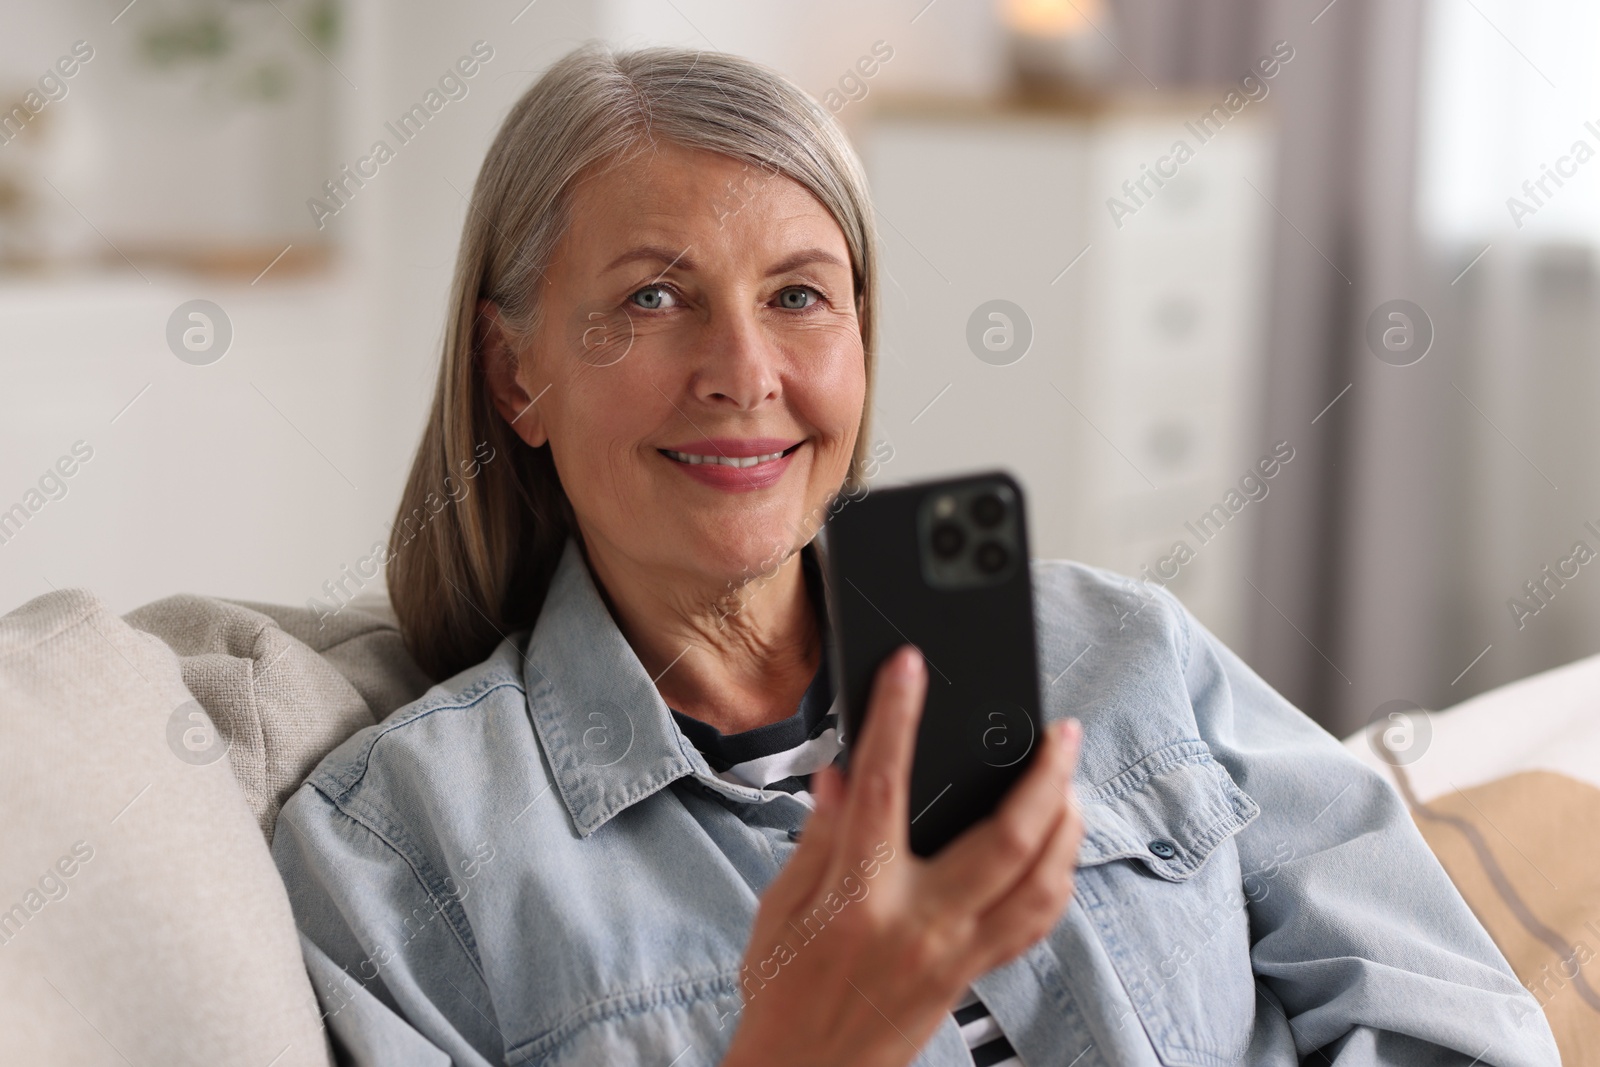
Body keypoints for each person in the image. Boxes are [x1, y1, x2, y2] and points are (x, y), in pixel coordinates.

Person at [270, 44, 1560, 1067]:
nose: (744, 374)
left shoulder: (1118, 653)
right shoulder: (403, 855)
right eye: (653, 297)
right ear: (518, 376)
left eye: (800, 296)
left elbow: (1458, 1021)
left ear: (864, 346)